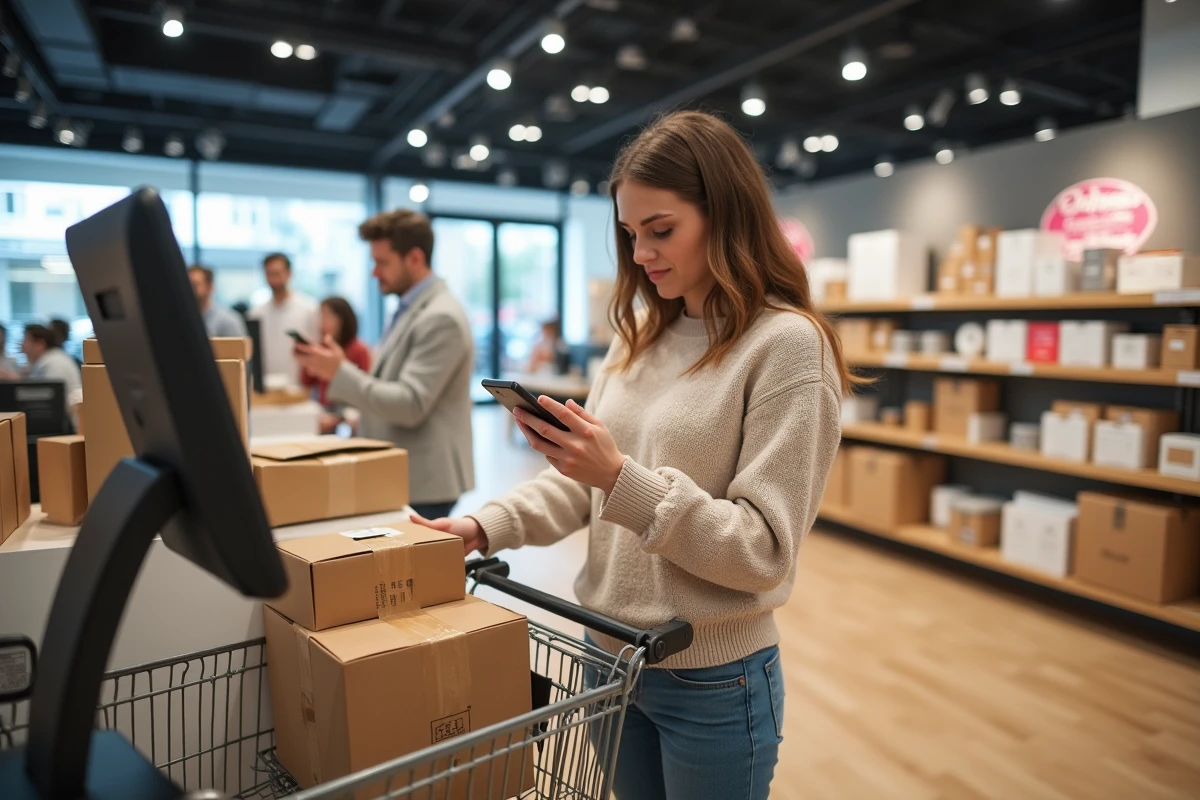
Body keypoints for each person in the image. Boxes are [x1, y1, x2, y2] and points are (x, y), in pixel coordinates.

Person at [413, 111, 857, 800]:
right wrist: (482, 528)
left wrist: (621, 477)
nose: (642, 253)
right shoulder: (639, 337)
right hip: (607, 657)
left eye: (662, 230)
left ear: (727, 217)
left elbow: (764, 550)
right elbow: (584, 487)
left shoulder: (787, 348)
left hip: (713, 679)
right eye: (630, 233)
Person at [294, 210, 475, 520]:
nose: (374, 273)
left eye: (382, 262)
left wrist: (339, 372)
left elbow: (410, 403)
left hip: (425, 481)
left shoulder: (440, 317)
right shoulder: (410, 308)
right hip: (405, 473)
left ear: (415, 259)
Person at [301, 296, 371, 434]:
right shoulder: (322, 347)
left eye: (327, 315)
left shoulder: (358, 350)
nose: (321, 321)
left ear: (341, 319)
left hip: (348, 417)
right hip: (323, 414)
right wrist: (306, 357)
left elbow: (364, 390)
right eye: (321, 316)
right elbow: (307, 382)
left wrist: (340, 418)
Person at [247, 252, 318, 386]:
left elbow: (314, 349)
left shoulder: (309, 309)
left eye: (277, 273)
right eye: (269, 274)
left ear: (289, 274)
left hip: (298, 389)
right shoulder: (256, 314)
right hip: (266, 389)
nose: (273, 279)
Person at [22, 323, 83, 427]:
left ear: (40, 344)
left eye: (26, 341)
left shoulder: (54, 363)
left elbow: (48, 401)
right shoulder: (50, 359)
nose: (22, 346)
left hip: (67, 426)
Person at [188, 266, 249, 339]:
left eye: (194, 285)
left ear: (210, 287)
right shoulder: (181, 319)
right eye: (187, 285)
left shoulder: (228, 321)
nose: (189, 289)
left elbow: (239, 350)